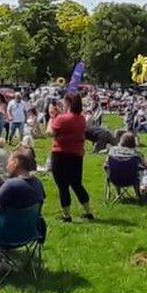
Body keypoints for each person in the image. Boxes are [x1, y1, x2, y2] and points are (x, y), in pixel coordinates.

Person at [47, 92, 94, 222]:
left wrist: (52, 117)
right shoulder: (81, 119)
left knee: (63, 186)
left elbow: (50, 132)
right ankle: (88, 211)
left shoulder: (62, 119)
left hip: (60, 155)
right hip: (76, 155)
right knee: (77, 184)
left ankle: (66, 215)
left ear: (68, 103)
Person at [0, 149, 46, 220]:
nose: (7, 167)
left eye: (8, 163)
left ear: (15, 162)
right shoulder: (38, 183)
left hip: (7, 229)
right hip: (30, 229)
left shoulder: (11, 185)